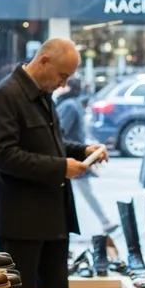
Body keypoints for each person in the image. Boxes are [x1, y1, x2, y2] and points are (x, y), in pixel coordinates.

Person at [0, 38, 108, 288]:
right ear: (44, 62)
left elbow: (53, 145)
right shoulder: (5, 96)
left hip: (53, 217)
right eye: (62, 76)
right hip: (20, 222)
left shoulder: (44, 95)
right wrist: (61, 168)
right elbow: (4, 156)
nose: (64, 84)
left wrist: (83, 150)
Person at [55, 76, 117, 234]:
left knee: (81, 191)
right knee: (81, 191)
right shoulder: (73, 103)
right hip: (73, 154)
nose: (59, 85)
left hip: (69, 156)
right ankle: (105, 221)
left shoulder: (67, 105)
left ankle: (105, 221)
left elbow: (59, 133)